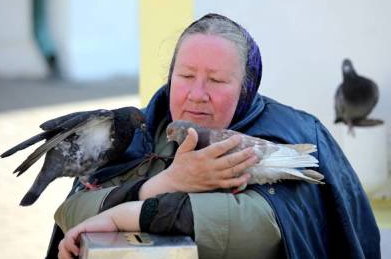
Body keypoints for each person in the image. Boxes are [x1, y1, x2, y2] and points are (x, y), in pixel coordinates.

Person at [49, 13, 380, 259]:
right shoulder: (136, 133)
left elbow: (254, 229)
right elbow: (71, 212)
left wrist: (123, 214)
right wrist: (165, 183)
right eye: (186, 75)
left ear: (246, 87)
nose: (197, 94)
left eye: (217, 80)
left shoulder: (289, 134)